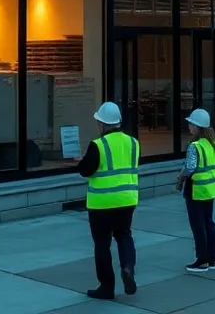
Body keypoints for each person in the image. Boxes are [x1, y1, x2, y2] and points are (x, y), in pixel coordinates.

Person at [78, 102, 139, 299]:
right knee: (124, 236)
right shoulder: (133, 142)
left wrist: (81, 161)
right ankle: (128, 267)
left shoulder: (98, 145)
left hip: (102, 203)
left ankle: (107, 287)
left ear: (102, 124)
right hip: (127, 199)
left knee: (102, 245)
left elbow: (85, 170)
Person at [176, 108, 215, 272]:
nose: (189, 127)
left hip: (196, 190)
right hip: (210, 190)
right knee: (209, 223)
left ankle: (202, 260)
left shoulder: (194, 146)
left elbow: (190, 168)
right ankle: (212, 259)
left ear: (197, 127)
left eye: (191, 124)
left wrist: (180, 177)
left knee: (198, 225)